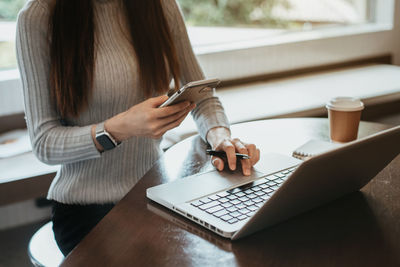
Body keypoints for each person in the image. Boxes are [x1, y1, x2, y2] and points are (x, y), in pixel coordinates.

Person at [16, 0, 260, 256]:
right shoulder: (38, 16)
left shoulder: (160, 6)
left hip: (158, 195)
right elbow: (45, 143)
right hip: (87, 211)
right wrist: (118, 129)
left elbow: (202, 95)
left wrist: (220, 137)